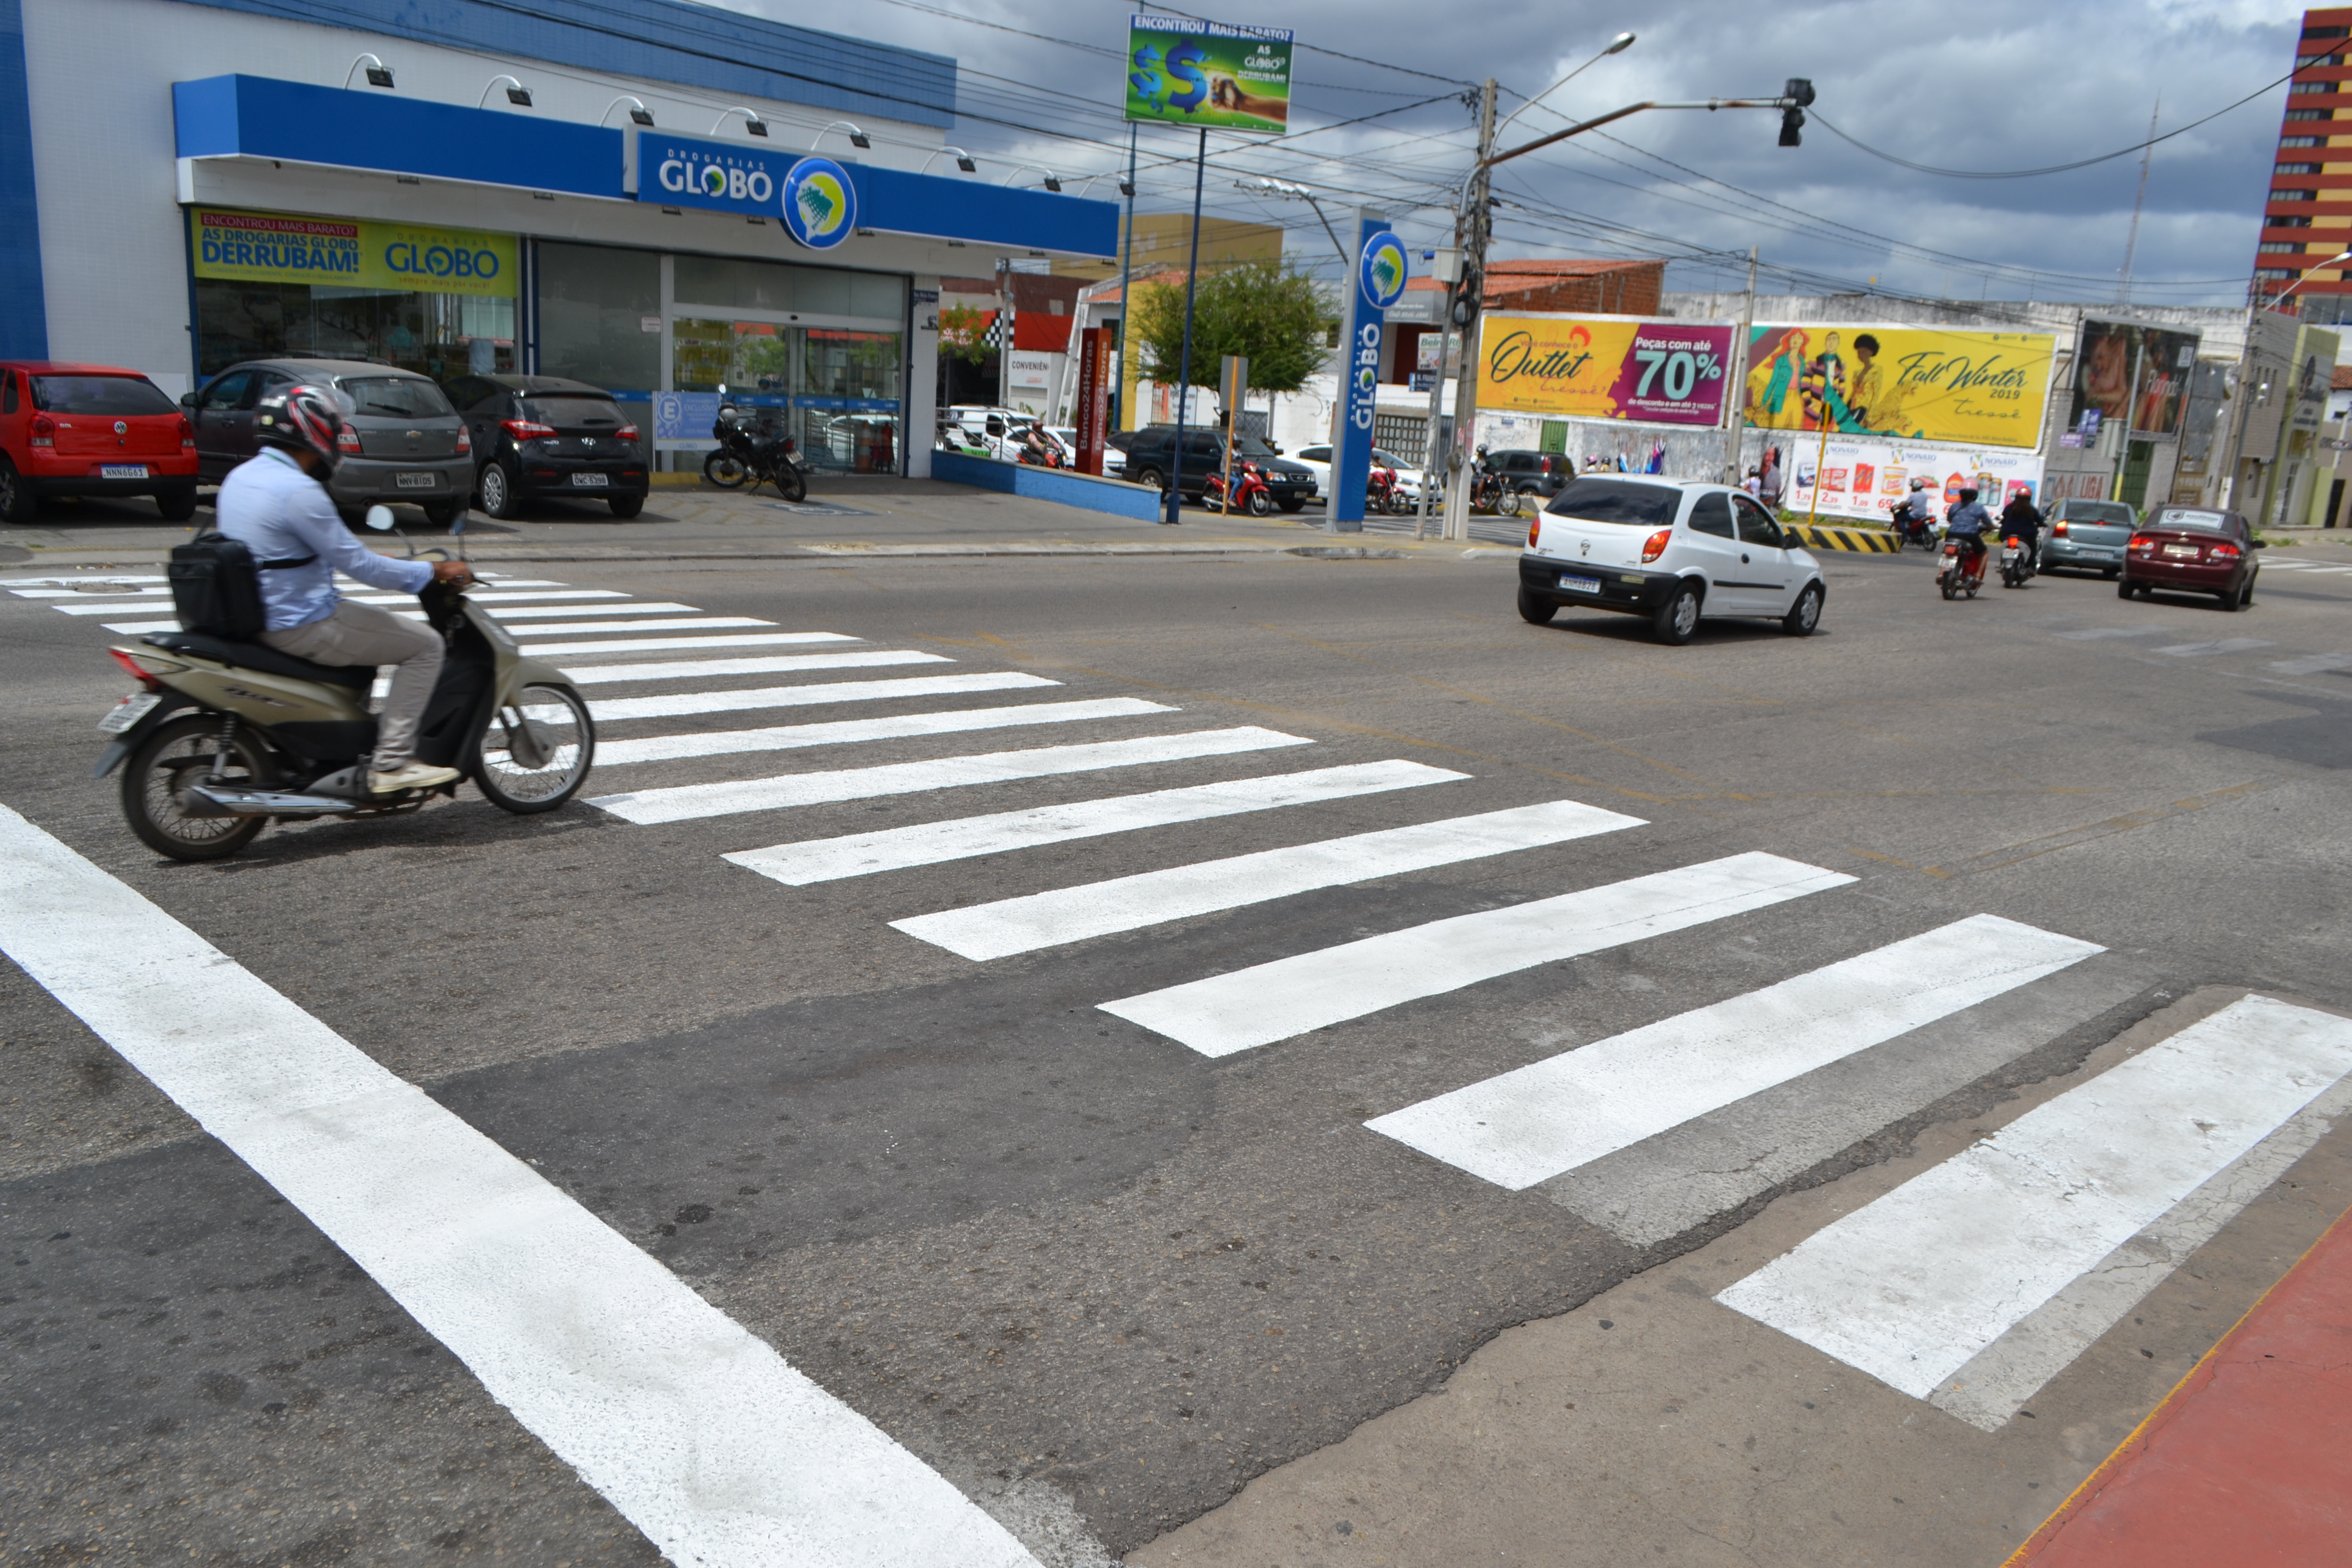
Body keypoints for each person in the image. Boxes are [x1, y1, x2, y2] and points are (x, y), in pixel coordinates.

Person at [214, 385, 474, 794]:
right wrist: (435, 570)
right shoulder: (299, 491)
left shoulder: (240, 477)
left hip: (257, 614)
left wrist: (364, 555)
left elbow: (283, 548)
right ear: (311, 430)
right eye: (334, 431)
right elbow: (362, 567)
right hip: (300, 621)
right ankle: (393, 762)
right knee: (425, 646)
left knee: (368, 647)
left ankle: (340, 749)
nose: (336, 440)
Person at [1944, 485, 1994, 577]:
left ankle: (1941, 574)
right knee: (1984, 553)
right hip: (1970, 535)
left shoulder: (1955, 505)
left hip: (1951, 534)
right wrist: (1992, 527)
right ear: (1975, 495)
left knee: (1947, 554)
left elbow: (1950, 519)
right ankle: (1978, 575)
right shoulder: (1979, 507)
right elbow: (1988, 523)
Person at [2000, 487, 2045, 568]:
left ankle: (2003, 562)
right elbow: (2040, 521)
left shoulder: (2009, 508)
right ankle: (2030, 566)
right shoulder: (2032, 510)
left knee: (2004, 545)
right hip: (2026, 535)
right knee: (2033, 548)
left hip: (2007, 533)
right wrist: (2043, 524)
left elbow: (2004, 517)